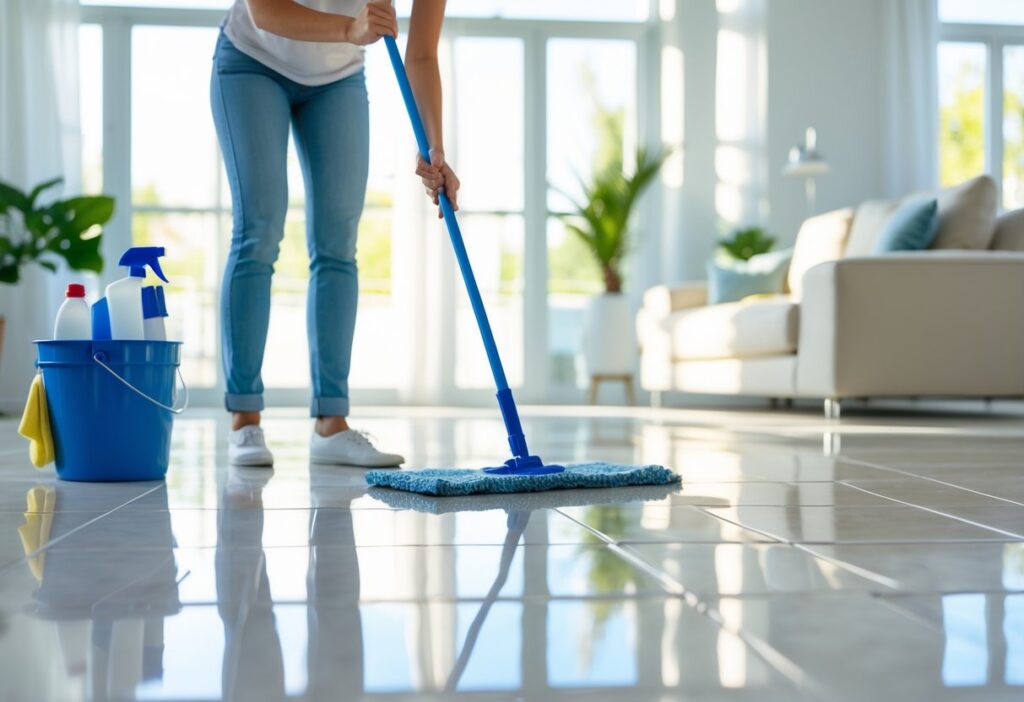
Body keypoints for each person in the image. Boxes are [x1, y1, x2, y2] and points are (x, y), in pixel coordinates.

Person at [211, 0, 459, 467]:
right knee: (259, 231)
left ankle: (331, 423)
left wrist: (435, 149)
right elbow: (264, 12)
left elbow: (421, 54)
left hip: (338, 78)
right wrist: (350, 27)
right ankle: (245, 419)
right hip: (252, 59)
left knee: (338, 244)